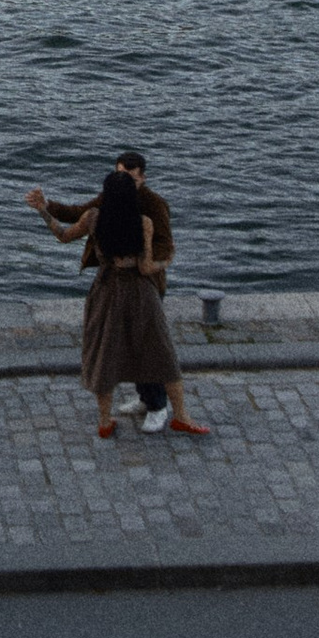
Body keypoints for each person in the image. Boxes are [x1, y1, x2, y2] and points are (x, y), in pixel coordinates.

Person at [26, 160, 208, 440]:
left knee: (104, 355)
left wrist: (43, 211)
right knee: (162, 354)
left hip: (107, 290)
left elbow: (63, 235)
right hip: (140, 294)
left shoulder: (94, 218)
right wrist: (167, 261)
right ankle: (182, 416)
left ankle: (104, 421)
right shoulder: (144, 223)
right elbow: (147, 268)